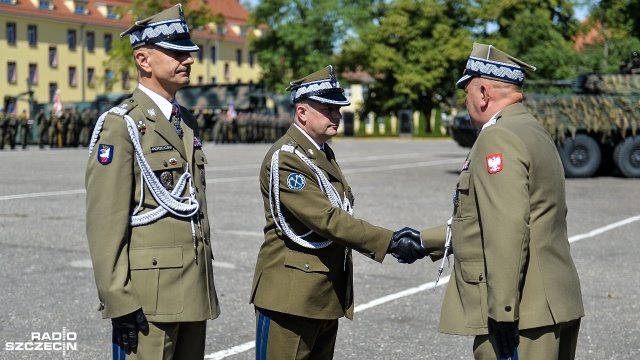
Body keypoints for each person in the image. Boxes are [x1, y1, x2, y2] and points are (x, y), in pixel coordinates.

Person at [250, 65, 428, 360]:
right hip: (290, 297)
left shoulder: (320, 153)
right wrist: (390, 240)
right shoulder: (287, 158)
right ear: (302, 113)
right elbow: (328, 220)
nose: (337, 114)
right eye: (328, 108)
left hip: (320, 293)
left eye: (338, 107)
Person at [420, 43, 584, 359]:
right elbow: (491, 220)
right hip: (555, 304)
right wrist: (422, 240)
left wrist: (503, 309)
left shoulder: (498, 137)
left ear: (483, 92)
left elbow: (507, 226)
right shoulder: (533, 129)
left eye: (465, 91)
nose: (465, 101)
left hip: (522, 315)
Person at [85, 4, 220, 359]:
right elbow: (105, 221)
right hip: (149, 299)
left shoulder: (185, 120)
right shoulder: (122, 125)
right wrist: (118, 298)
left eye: (188, 53)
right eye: (176, 52)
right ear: (144, 61)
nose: (188, 60)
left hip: (192, 289)